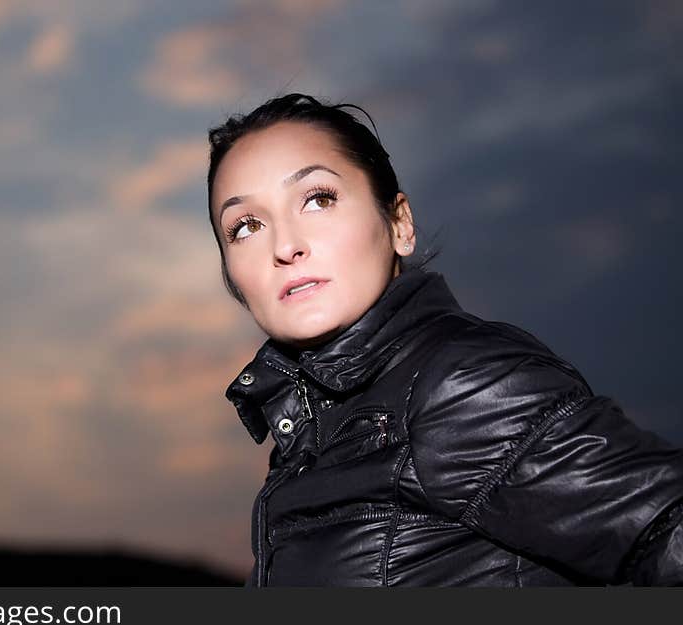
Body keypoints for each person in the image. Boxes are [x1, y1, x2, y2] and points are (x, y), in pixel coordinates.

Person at [206, 93, 683, 586]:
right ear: (232, 277)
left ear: (400, 224)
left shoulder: (459, 383)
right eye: (245, 227)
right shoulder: (311, 437)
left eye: (318, 199)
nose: (285, 246)